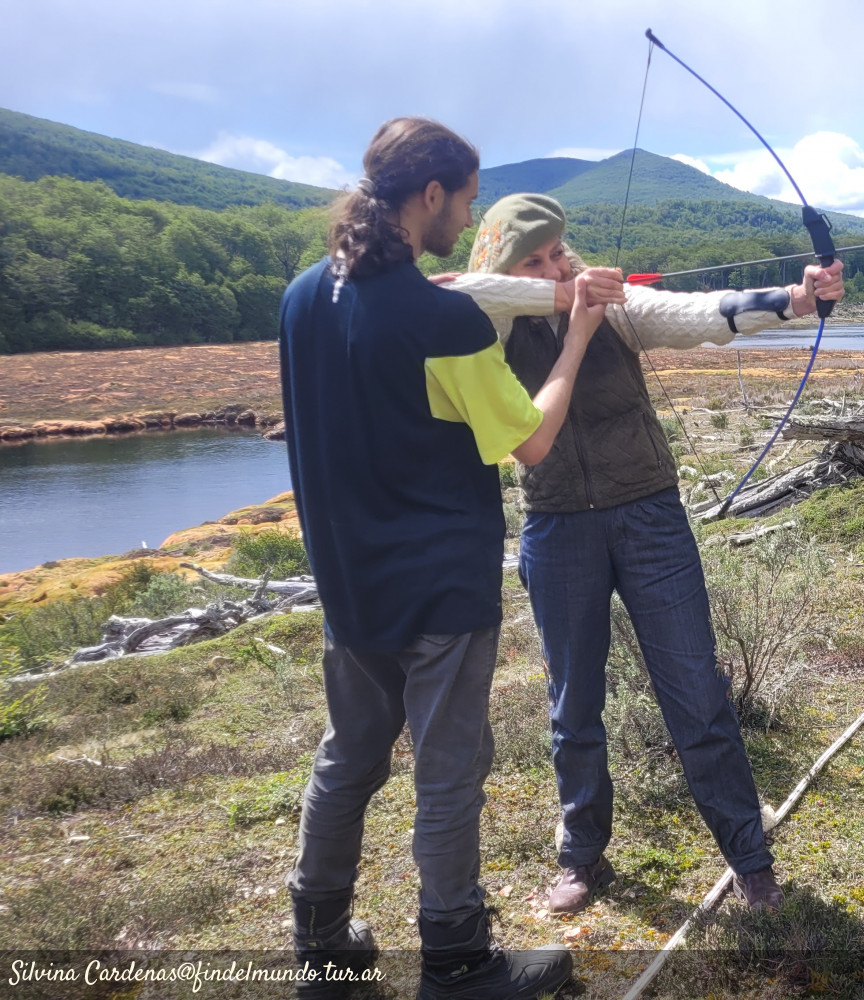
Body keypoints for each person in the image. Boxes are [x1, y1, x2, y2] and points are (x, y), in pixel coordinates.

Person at [278, 121, 620, 1000]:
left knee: (349, 756)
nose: (468, 217)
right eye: (466, 199)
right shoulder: (443, 319)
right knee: (448, 774)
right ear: (430, 195)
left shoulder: (303, 296)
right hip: (440, 587)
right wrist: (577, 335)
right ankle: (459, 962)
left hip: (348, 583)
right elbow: (531, 440)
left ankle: (320, 947)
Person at [435, 192, 843, 916]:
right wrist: (560, 300)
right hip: (558, 526)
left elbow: (697, 314)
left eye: (558, 253)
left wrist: (796, 298)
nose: (556, 268)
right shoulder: (487, 326)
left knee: (698, 696)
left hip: (650, 518)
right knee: (573, 707)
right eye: (532, 262)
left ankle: (751, 863)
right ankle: (581, 855)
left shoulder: (613, 306)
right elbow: (457, 294)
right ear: (501, 267)